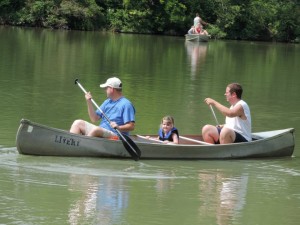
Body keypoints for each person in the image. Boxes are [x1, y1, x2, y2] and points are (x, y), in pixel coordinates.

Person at [70, 77, 136, 139]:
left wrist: (118, 127)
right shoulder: (107, 102)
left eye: (106, 88)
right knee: (77, 123)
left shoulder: (126, 104)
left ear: (111, 89)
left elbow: (131, 126)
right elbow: (94, 118)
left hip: (116, 135)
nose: (105, 90)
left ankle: (83, 145)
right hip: (101, 131)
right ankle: (72, 143)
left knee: (97, 129)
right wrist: (89, 102)